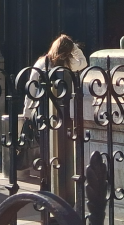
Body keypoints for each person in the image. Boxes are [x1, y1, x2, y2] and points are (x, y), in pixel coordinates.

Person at [19, 34, 89, 186]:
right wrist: (75, 49)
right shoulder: (69, 63)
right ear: (68, 50)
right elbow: (83, 63)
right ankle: (60, 175)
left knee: (46, 143)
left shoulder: (41, 63)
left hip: (44, 108)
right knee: (62, 143)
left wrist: (27, 112)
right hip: (62, 109)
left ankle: (48, 176)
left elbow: (31, 88)